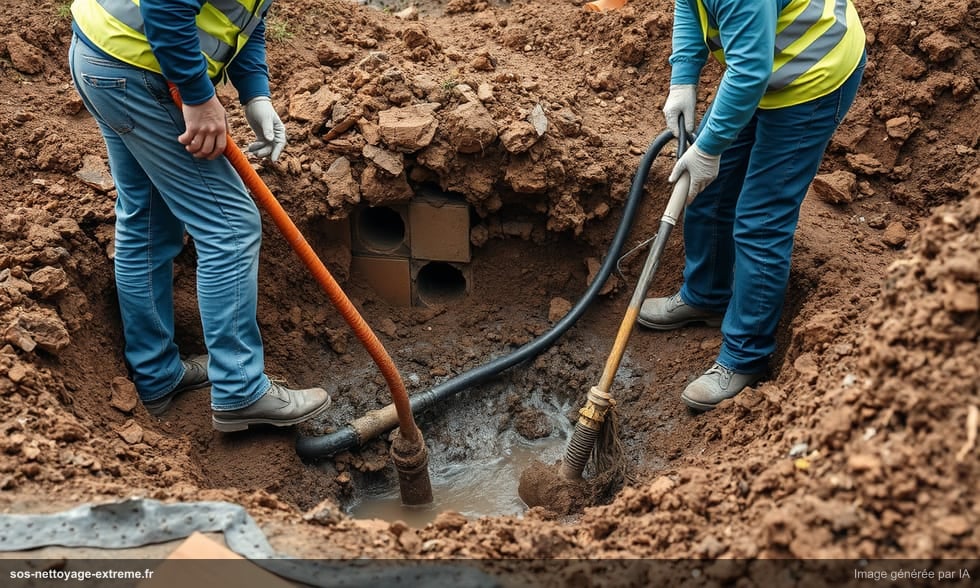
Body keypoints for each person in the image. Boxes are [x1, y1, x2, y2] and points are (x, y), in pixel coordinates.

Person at [68, 0, 332, 432]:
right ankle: (241, 390)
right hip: (139, 72)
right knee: (230, 228)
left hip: (106, 58)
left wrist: (255, 92)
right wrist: (198, 97)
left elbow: (243, 17)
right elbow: (165, 4)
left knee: (148, 221)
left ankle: (158, 376)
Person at [640, 0, 866, 411]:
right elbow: (689, 5)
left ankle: (745, 357)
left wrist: (708, 149)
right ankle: (706, 295)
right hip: (758, 64)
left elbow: (749, 72)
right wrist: (683, 78)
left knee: (761, 220)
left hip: (811, 74)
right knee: (708, 190)